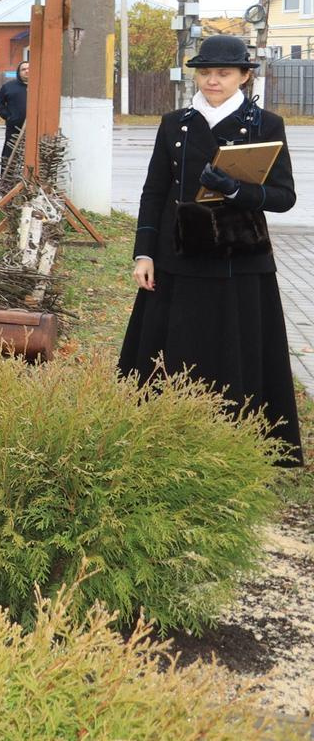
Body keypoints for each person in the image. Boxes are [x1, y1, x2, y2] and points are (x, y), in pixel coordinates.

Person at [121, 34, 302, 465]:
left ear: (244, 75)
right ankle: (163, 435)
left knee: (233, 347)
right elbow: (153, 191)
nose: (212, 81)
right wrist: (143, 253)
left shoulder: (266, 125)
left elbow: (283, 197)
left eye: (223, 73)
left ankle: (235, 440)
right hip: (177, 255)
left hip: (238, 258)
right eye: (205, 72)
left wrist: (237, 189)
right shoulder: (174, 123)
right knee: (173, 345)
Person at [0, 62, 30, 175]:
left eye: (29, 68)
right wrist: (8, 116)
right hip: (14, 126)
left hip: (34, 127)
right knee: (9, 154)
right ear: (19, 72)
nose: (26, 71)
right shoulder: (9, 87)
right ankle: (6, 179)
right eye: (23, 69)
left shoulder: (39, 85)